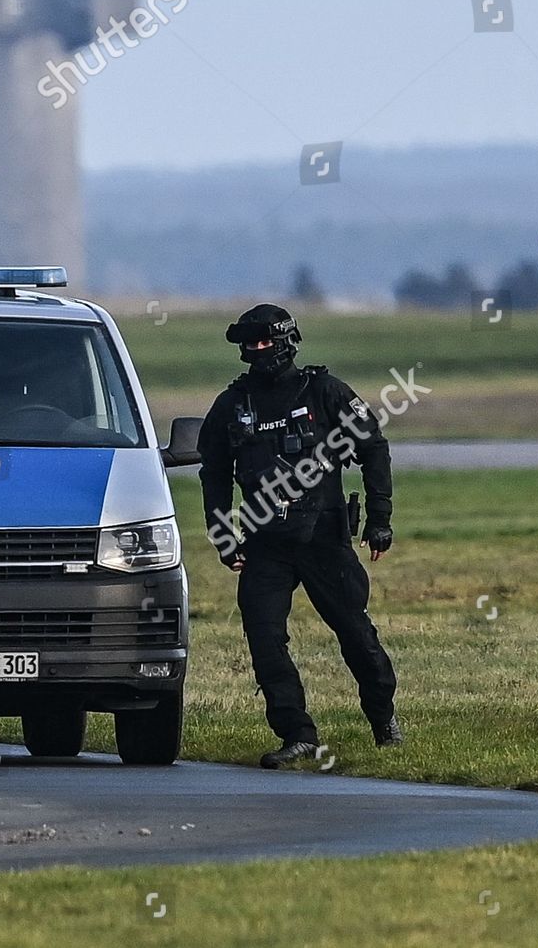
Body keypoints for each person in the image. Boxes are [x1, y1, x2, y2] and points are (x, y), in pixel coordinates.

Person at [196, 303, 402, 769]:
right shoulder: (233, 404)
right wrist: (222, 534)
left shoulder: (326, 392)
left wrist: (380, 519)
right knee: (264, 638)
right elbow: (214, 473)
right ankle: (297, 734)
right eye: (249, 344)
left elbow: (374, 448)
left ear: (287, 341)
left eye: (265, 342)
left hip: (325, 539)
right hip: (265, 545)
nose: (256, 351)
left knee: (356, 634)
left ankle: (384, 721)